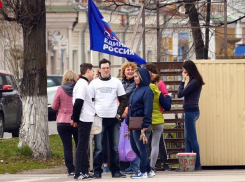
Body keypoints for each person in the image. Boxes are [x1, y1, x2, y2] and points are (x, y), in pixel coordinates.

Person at [89, 58, 128, 178]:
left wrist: (119, 114)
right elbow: (89, 100)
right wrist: (94, 114)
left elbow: (124, 100)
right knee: (99, 147)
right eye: (103, 68)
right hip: (99, 119)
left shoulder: (116, 82)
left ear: (110, 69)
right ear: (99, 70)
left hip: (114, 119)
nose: (106, 70)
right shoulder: (94, 83)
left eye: (107, 68)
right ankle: (97, 171)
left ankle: (115, 171)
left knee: (114, 147)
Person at [125, 68, 154, 179]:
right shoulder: (136, 89)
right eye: (135, 76)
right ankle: (149, 169)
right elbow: (131, 107)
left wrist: (145, 124)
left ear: (142, 78)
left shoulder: (147, 90)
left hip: (140, 123)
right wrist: (128, 122)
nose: (134, 78)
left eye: (137, 76)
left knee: (141, 148)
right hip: (133, 122)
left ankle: (143, 171)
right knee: (134, 146)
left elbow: (148, 108)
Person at [177, 60, 205, 171]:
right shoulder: (195, 80)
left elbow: (180, 94)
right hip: (192, 111)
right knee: (187, 139)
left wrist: (183, 80)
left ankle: (197, 164)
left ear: (188, 69)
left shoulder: (194, 81)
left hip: (190, 112)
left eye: (184, 69)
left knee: (192, 139)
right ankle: (187, 165)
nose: (183, 71)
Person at [70, 63, 95, 180]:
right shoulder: (82, 85)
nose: (94, 73)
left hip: (86, 118)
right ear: (88, 71)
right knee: (81, 146)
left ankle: (84, 171)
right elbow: (78, 103)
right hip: (84, 119)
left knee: (84, 146)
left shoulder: (84, 84)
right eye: (93, 71)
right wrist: (75, 119)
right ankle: (78, 172)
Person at [51, 70, 78, 177]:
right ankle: (80, 167)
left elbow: (53, 106)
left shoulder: (60, 89)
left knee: (67, 146)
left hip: (62, 122)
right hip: (75, 121)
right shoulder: (78, 89)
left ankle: (70, 169)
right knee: (79, 145)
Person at [144, 63, 170, 171]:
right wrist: (168, 98)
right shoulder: (158, 91)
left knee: (144, 144)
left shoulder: (144, 89)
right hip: (158, 119)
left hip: (147, 119)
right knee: (155, 144)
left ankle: (143, 166)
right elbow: (167, 105)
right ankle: (152, 167)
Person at [120, 62, 140, 174]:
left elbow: (125, 95)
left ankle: (136, 165)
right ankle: (130, 164)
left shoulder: (136, 83)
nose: (130, 72)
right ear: (124, 72)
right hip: (122, 115)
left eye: (132, 70)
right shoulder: (121, 82)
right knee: (126, 141)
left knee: (134, 140)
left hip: (132, 114)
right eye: (128, 70)